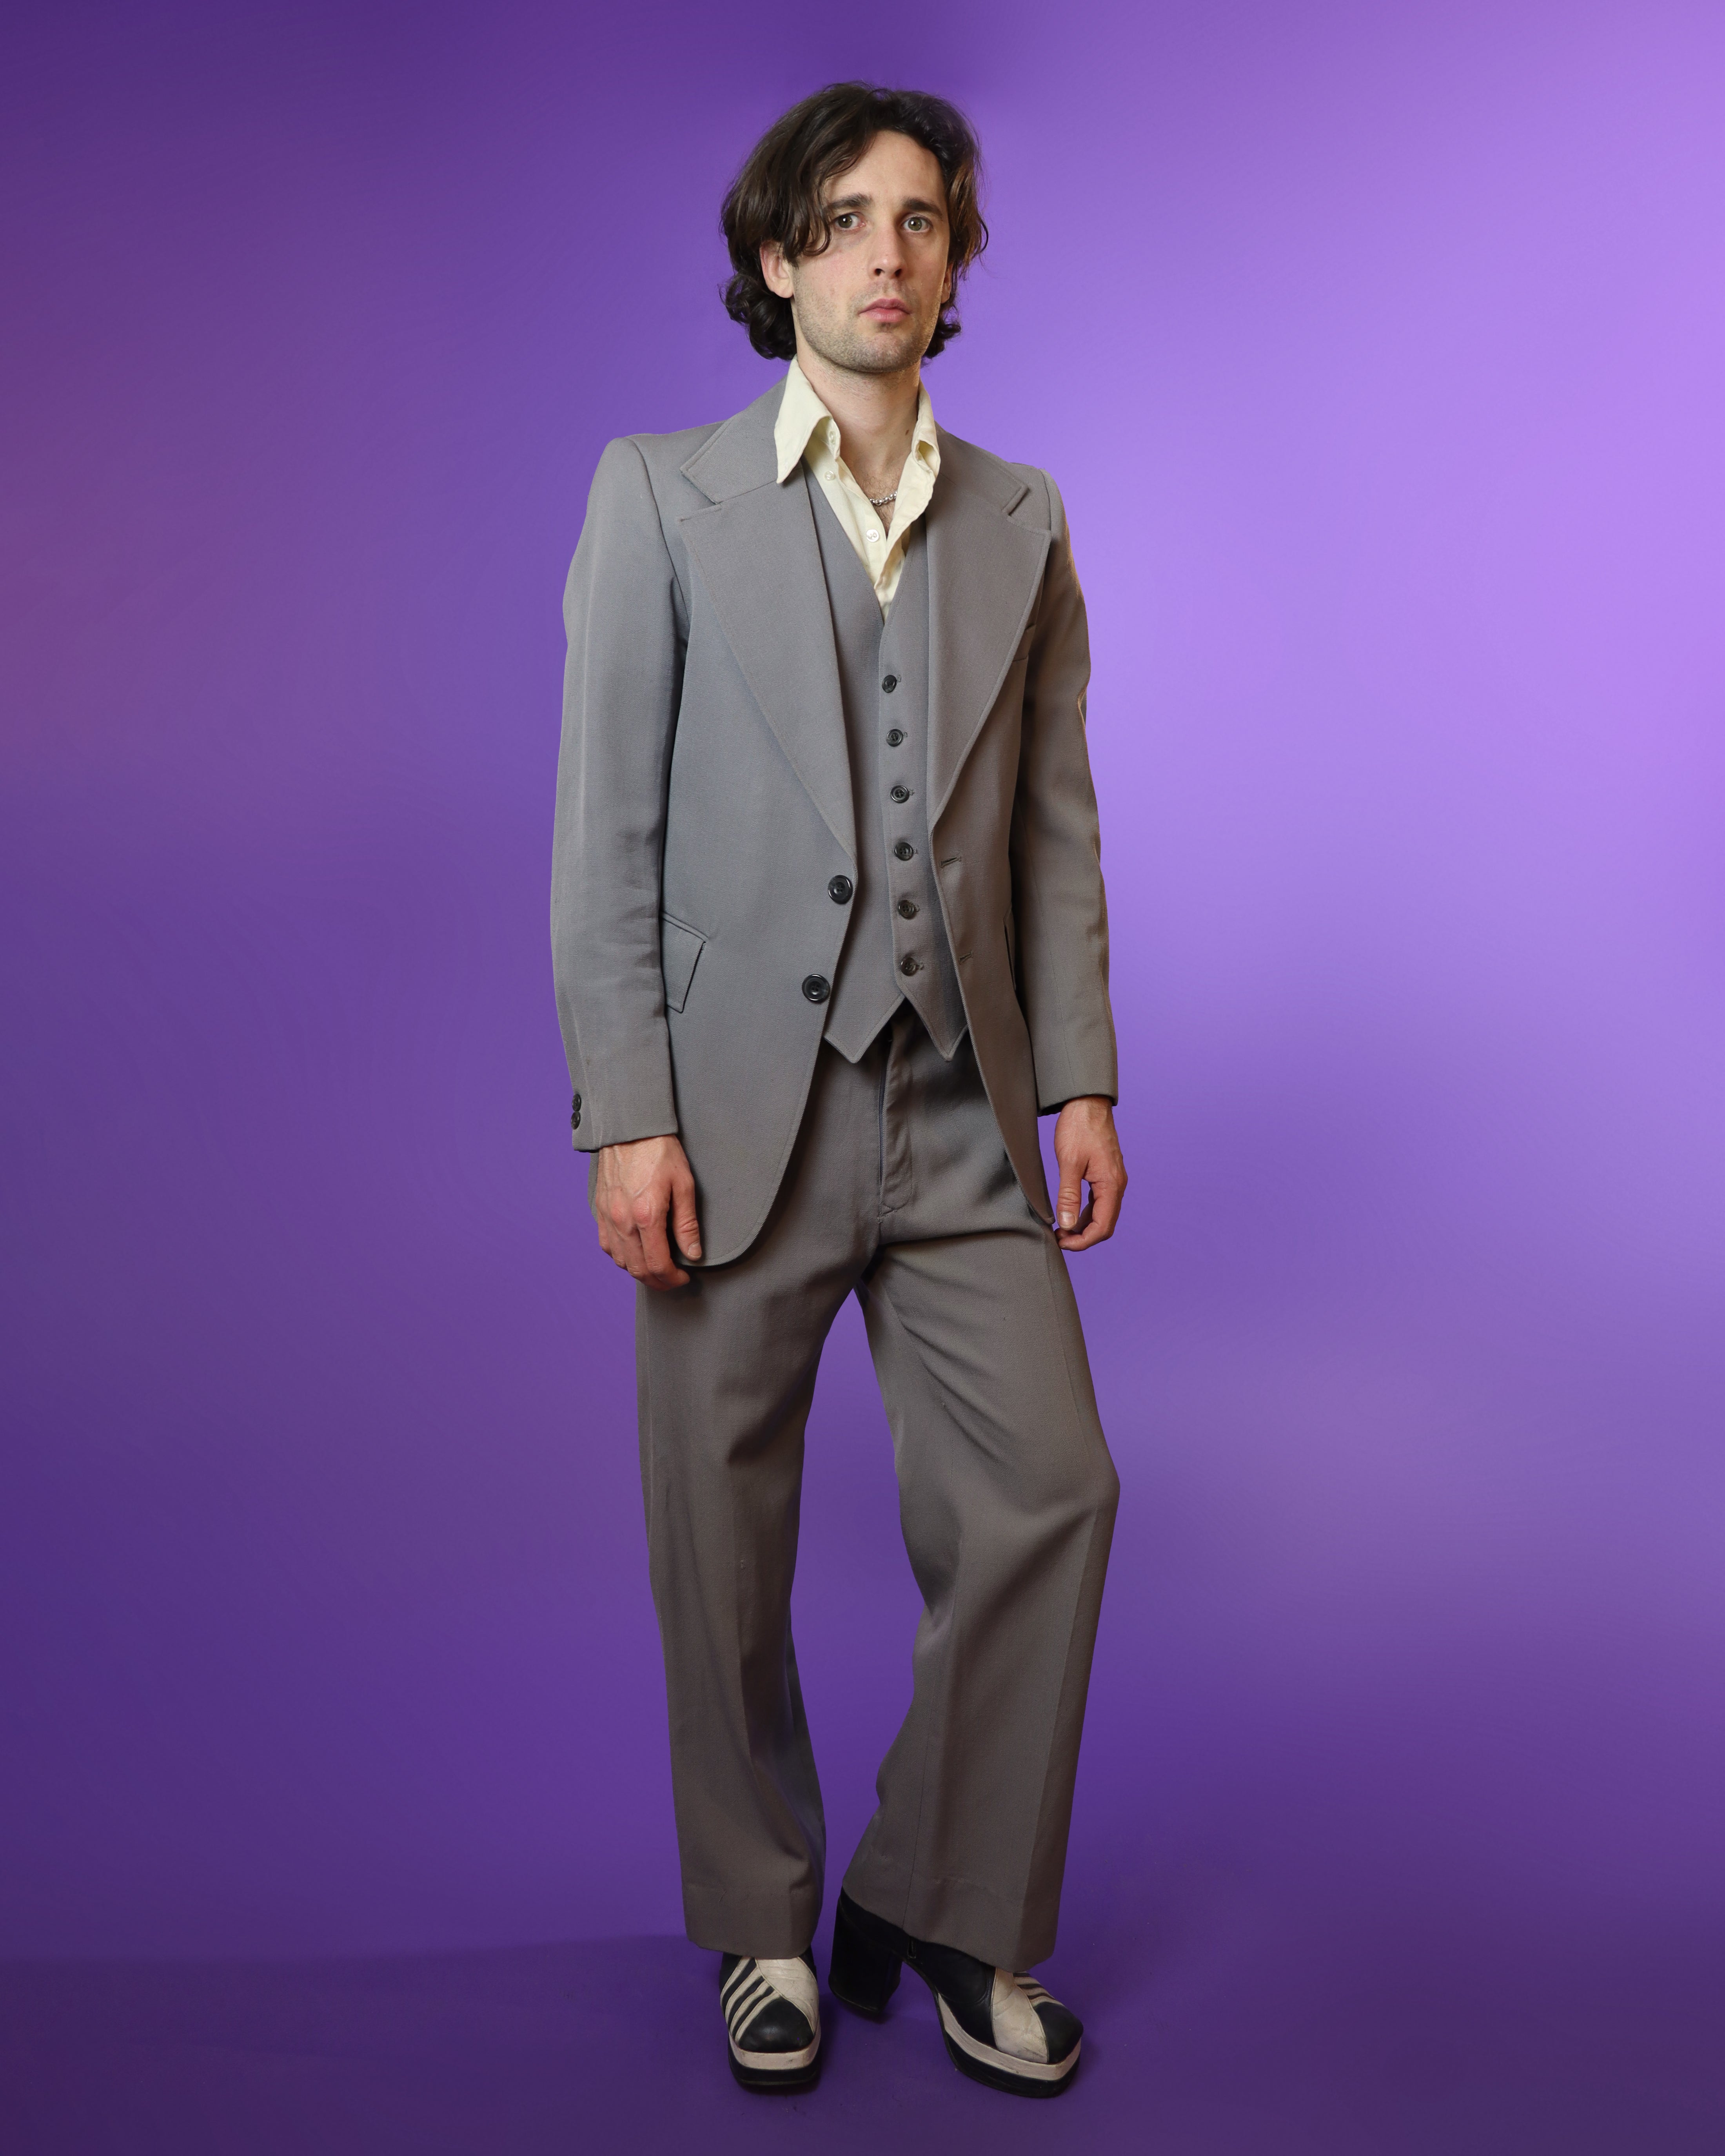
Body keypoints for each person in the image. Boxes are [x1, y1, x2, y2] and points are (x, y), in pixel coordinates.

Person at [551, 81, 1126, 2098]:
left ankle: (940, 1899)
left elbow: (1051, 827)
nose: (889, 251)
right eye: (845, 218)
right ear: (777, 258)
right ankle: (761, 1922)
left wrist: (1079, 1080)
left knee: (1052, 1490)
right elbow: (604, 835)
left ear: (952, 268)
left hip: (964, 1100)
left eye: (922, 221)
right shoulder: (659, 496)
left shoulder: (1020, 515)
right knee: (720, 1534)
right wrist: (626, 1109)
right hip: (732, 1114)